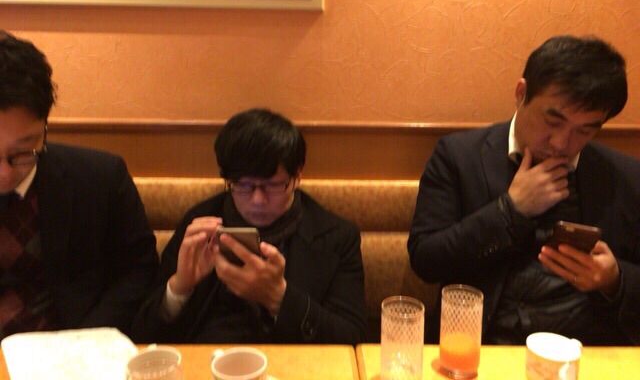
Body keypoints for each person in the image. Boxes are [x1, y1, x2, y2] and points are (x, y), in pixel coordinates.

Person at [408, 35, 640, 346]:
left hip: (587, 351)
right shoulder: (459, 157)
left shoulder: (626, 177)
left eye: (584, 130)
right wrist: (510, 211)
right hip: (483, 346)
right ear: (521, 94)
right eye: (553, 120)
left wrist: (615, 280)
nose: (561, 143)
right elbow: (426, 259)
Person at [131, 108, 366, 344]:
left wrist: (279, 298)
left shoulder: (337, 237)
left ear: (297, 175)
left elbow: (351, 339)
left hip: (291, 362)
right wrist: (179, 289)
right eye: (243, 186)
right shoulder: (200, 224)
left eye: (272, 186)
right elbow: (141, 336)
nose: (257, 200)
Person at [0, 31, 158, 340]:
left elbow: (139, 270)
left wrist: (84, 342)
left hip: (76, 351)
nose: (4, 174)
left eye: (23, 151)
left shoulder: (100, 178)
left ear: (45, 127)